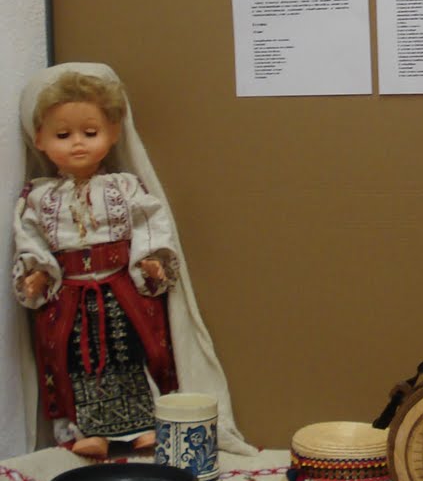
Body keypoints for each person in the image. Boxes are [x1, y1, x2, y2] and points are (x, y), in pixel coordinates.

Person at [12, 63, 250, 458]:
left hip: (121, 289)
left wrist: (151, 260)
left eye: (90, 133)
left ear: (113, 132)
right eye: (62, 135)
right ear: (39, 138)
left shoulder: (124, 188)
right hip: (68, 296)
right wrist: (36, 272)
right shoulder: (38, 198)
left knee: (134, 353)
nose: (77, 144)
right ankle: (87, 431)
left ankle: (144, 425)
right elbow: (30, 239)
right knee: (76, 360)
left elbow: (149, 225)